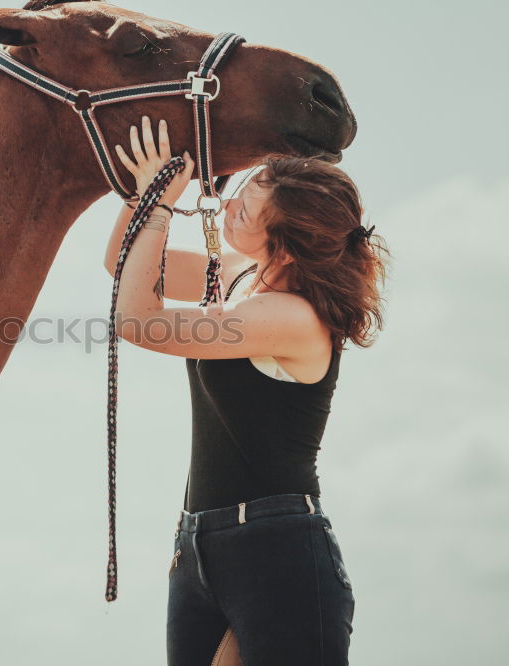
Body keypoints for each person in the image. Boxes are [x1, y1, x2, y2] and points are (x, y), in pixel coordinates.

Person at [103, 115, 389, 666]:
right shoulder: (238, 273)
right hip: (201, 544)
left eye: (242, 209)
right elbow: (121, 266)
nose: (227, 203)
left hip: (276, 550)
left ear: (283, 244)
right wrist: (145, 192)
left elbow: (137, 319)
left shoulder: (292, 318)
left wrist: (163, 207)